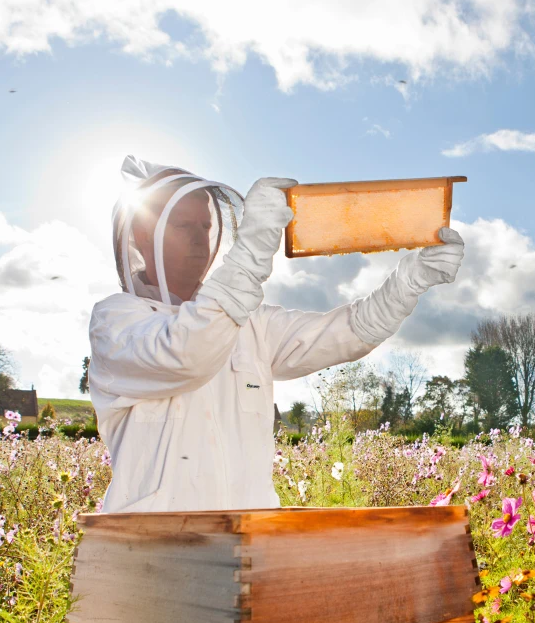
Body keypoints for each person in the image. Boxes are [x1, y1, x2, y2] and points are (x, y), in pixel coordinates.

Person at [88, 156, 465, 513]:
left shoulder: (252, 323)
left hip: (249, 547)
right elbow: (187, 354)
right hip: (151, 557)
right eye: (183, 226)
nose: (200, 239)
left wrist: (410, 281)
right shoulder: (116, 322)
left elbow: (349, 331)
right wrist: (251, 254)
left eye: (205, 226)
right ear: (142, 235)